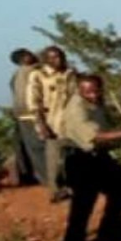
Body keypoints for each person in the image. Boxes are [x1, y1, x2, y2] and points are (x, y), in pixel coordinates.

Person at [58, 75, 121, 241]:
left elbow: (108, 129)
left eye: (96, 90)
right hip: (80, 157)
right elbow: (95, 136)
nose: (94, 95)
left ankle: (110, 230)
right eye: (89, 91)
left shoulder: (97, 104)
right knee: (83, 204)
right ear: (80, 90)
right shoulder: (76, 108)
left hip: (98, 156)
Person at [27, 46, 78, 202]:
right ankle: (57, 190)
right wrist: (41, 125)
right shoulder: (38, 75)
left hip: (73, 123)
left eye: (61, 56)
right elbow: (34, 102)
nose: (59, 60)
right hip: (53, 123)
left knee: (73, 158)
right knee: (54, 160)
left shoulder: (71, 74)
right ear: (46, 59)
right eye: (54, 57)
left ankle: (74, 187)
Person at [8, 48, 44, 186]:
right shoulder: (36, 71)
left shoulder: (16, 75)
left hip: (22, 115)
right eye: (29, 54)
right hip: (34, 114)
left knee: (33, 148)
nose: (33, 55)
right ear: (24, 59)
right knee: (39, 147)